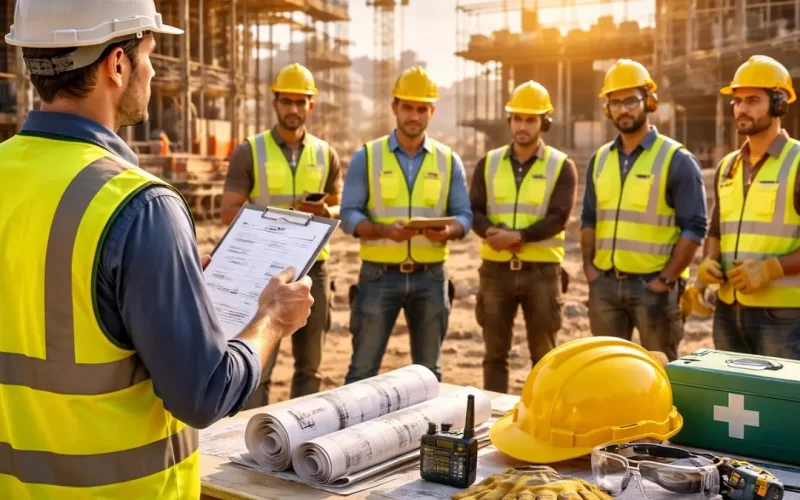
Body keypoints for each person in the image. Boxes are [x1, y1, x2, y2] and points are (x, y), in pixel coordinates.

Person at [0, 2, 313, 497]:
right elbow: (205, 393)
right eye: (149, 53)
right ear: (117, 65)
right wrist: (272, 317)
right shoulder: (137, 206)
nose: (151, 68)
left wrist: (167, 277)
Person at [340, 66, 473, 383]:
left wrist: (450, 230)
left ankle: (426, 434)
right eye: (408, 108)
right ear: (394, 108)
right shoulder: (367, 157)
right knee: (363, 370)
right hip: (378, 277)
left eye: (421, 109)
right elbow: (349, 216)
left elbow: (465, 215)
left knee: (429, 373)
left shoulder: (447, 159)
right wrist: (386, 231)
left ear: (431, 111)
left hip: (431, 278)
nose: (414, 116)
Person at [221, 63, 342, 408]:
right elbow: (229, 211)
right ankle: (252, 433)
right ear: (275, 103)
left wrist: (324, 213)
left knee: (310, 367)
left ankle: (300, 431)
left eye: (300, 102)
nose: (293, 109)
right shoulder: (250, 150)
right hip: (265, 271)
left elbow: (337, 209)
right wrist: (292, 211)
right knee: (257, 362)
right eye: (286, 101)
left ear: (311, 106)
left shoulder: (326, 154)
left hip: (316, 270)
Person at [580, 58, 708, 361]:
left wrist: (665, 280)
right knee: (608, 371)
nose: (623, 109)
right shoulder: (599, 159)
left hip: (654, 290)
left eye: (631, 101)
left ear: (649, 102)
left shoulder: (677, 159)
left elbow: (695, 226)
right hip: (605, 286)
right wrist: (589, 269)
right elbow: (588, 218)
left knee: (660, 372)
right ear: (606, 108)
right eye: (615, 102)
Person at [469, 80, 578, 393]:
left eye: (531, 119)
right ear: (509, 121)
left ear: (544, 122)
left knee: (544, 358)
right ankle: (493, 420)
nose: (523, 125)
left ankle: (540, 422)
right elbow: (474, 209)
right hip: (495, 271)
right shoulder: (488, 163)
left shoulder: (561, 166)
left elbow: (559, 217)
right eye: (518, 118)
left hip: (542, 273)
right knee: (494, 356)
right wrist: (490, 233)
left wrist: (518, 237)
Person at [695, 55, 800, 359]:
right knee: (733, 401)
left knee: (782, 404)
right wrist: (707, 265)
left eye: (753, 100)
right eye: (737, 101)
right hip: (728, 311)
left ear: (779, 104)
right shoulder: (728, 166)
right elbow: (717, 229)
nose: (742, 108)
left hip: (783, 317)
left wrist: (771, 269)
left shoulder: (797, 162)